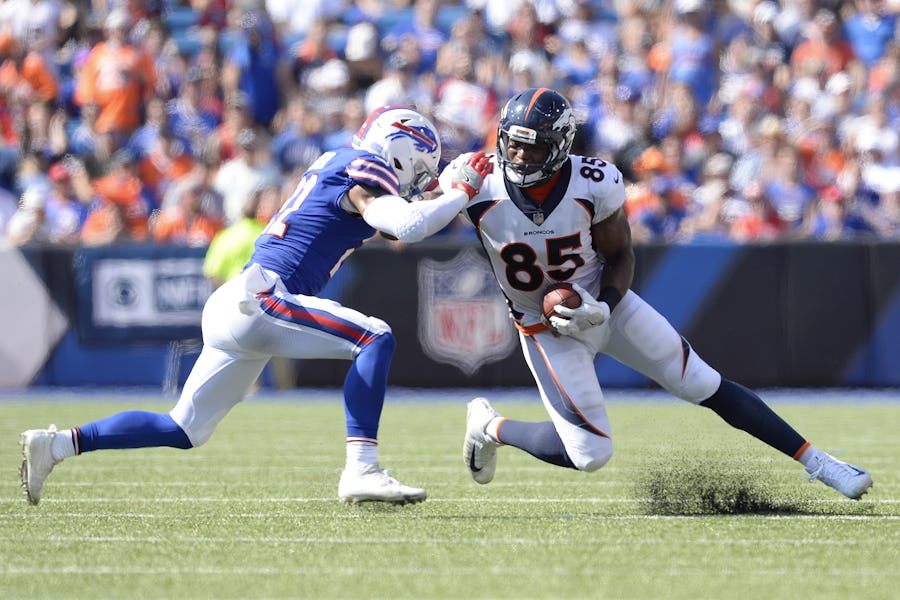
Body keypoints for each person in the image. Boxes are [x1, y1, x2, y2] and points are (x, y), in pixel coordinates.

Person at [20, 105, 493, 506]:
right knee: (375, 337)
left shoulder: (342, 163)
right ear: (399, 148)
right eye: (421, 167)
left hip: (239, 301)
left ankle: (57, 445)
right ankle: (362, 469)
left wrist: (447, 191)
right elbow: (408, 225)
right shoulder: (364, 168)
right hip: (263, 296)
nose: (419, 178)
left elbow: (400, 224)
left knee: (183, 428)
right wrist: (460, 192)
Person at [441, 88, 873, 501]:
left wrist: (603, 306)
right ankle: (489, 426)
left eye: (533, 148)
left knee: (703, 382)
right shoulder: (477, 180)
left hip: (603, 303)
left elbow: (620, 255)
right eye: (514, 144)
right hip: (544, 327)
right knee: (590, 454)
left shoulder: (593, 182)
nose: (519, 156)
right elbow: (418, 219)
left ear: (559, 147)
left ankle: (820, 462)